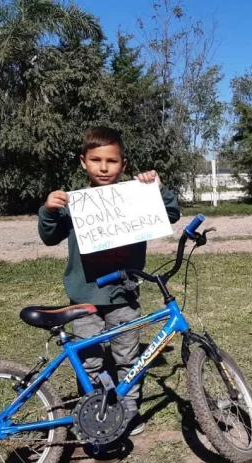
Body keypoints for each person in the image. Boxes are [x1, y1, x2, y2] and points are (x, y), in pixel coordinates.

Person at [39, 126, 181, 436]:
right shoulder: (74, 203)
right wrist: (49, 210)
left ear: (124, 164)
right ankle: (94, 413)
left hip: (124, 295)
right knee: (89, 363)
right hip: (85, 299)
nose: (104, 168)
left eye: (112, 161)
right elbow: (49, 237)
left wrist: (156, 187)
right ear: (83, 162)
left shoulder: (135, 195)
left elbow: (170, 213)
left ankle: (128, 413)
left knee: (128, 358)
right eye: (96, 160)